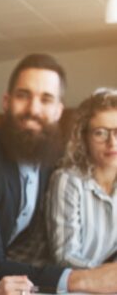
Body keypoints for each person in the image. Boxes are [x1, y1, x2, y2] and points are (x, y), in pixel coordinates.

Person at [0, 53, 117, 293]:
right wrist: (94, 279)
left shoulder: (49, 159)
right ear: (6, 101)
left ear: (58, 110)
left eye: (45, 99)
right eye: (24, 96)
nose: (33, 109)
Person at [47, 88, 117, 268]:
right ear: (84, 137)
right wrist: (106, 277)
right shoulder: (67, 180)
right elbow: (65, 256)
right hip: (56, 283)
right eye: (100, 132)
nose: (112, 142)